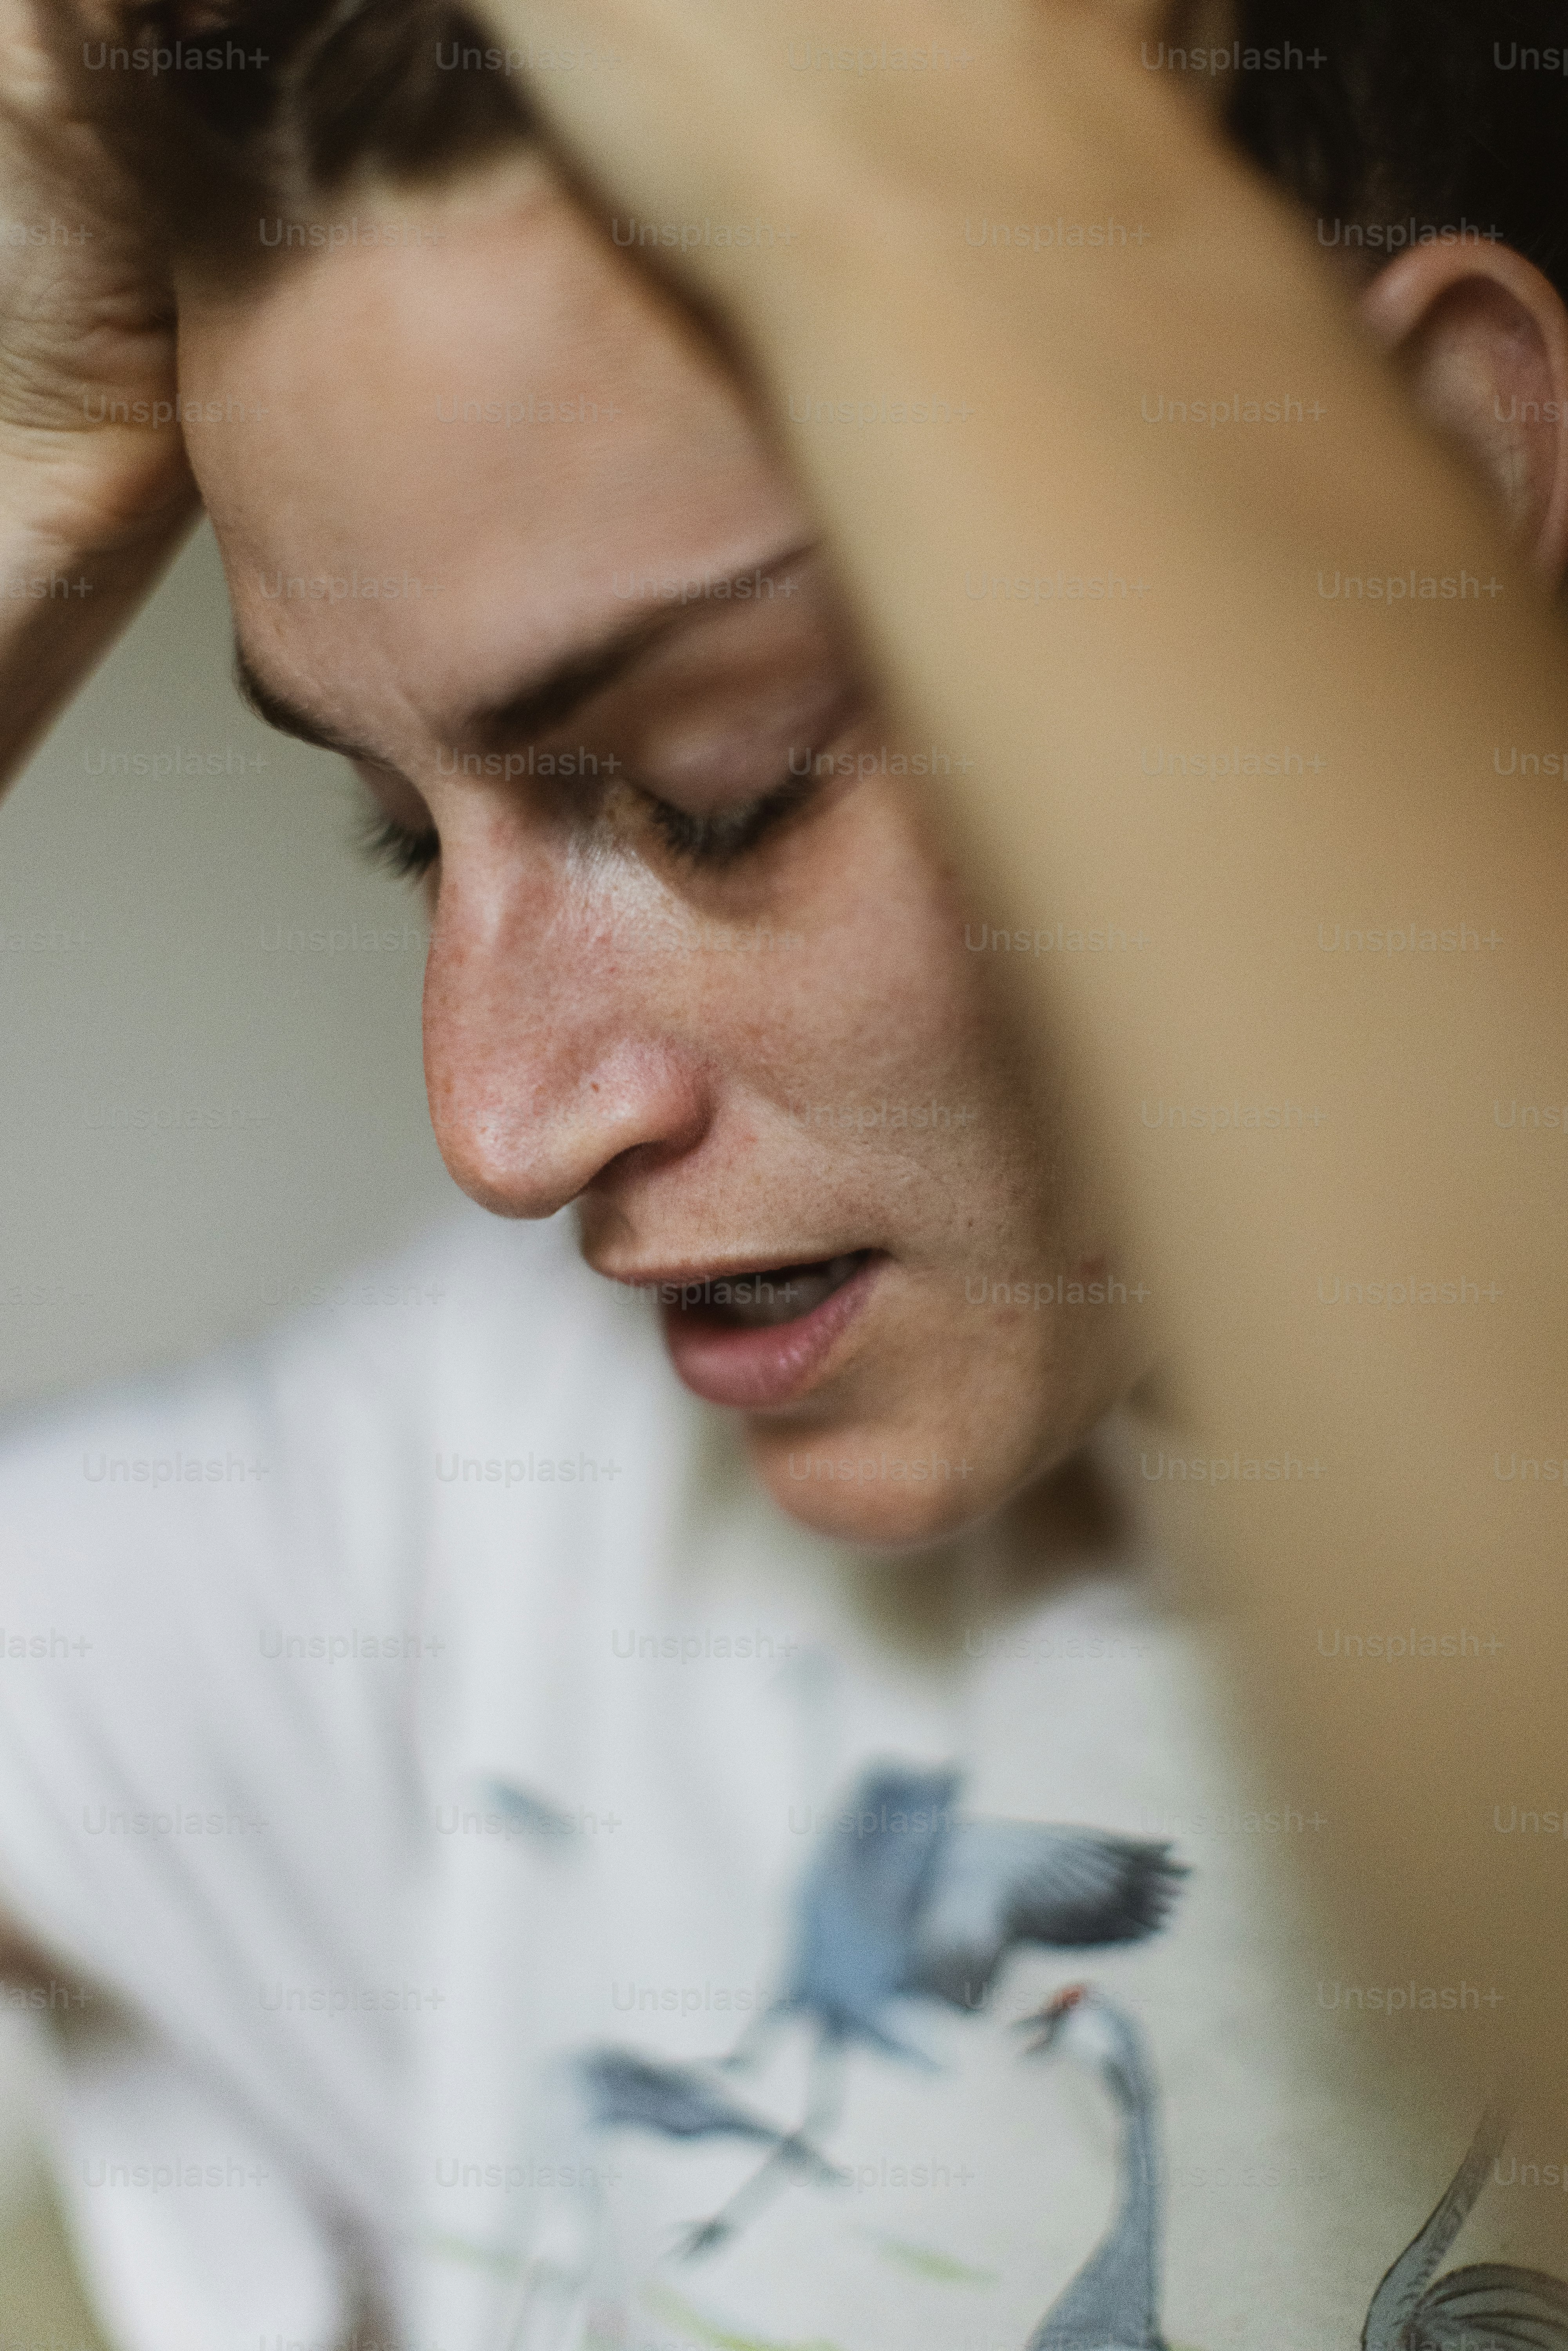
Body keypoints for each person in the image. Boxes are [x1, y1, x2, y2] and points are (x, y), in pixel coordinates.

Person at [0, 0, 1566, 2345]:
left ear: (1437, 488)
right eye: (400, 832)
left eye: (714, 787)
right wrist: (24, 468)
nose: (497, 1123)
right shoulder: (503, 1512)